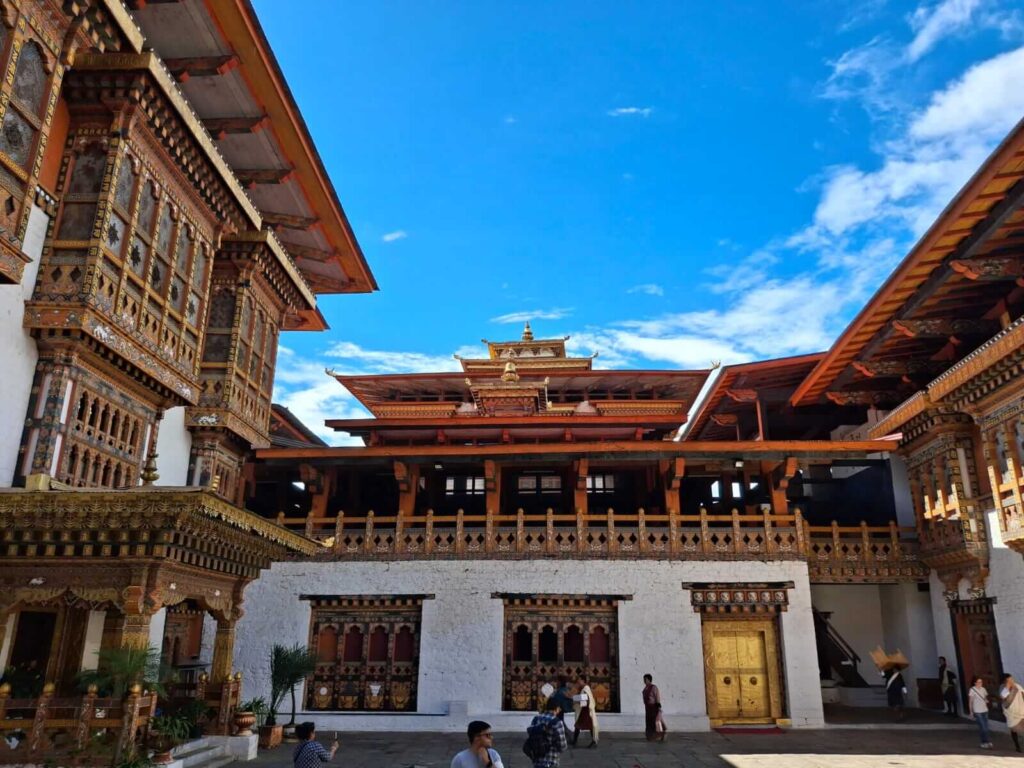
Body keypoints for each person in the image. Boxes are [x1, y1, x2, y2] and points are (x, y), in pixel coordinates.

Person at [527, 697, 567, 768]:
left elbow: (530, 732)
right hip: (551, 760)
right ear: (557, 708)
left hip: (537, 759)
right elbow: (562, 745)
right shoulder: (557, 722)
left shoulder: (536, 718)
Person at [571, 675, 599, 748]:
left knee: (587, 725)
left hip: (586, 711)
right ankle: (575, 740)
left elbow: (586, 700)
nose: (578, 681)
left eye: (579, 680)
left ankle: (594, 741)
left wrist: (578, 700)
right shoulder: (583, 688)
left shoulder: (586, 688)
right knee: (579, 725)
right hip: (583, 710)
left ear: (583, 680)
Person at [1000, 673, 1024, 753]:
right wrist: (1008, 687)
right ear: (1006, 681)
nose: (1012, 680)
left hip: (1020, 710)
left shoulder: (1017, 686)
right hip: (1011, 713)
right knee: (1013, 729)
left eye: (1012, 679)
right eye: (1009, 680)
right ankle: (1017, 746)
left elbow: (1023, 694)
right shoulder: (1004, 689)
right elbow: (1003, 698)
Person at [968, 677, 993, 749]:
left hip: (985, 710)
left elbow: (985, 697)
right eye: (978, 682)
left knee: (986, 727)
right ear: (975, 683)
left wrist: (986, 700)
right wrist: (971, 712)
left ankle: (986, 742)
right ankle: (984, 742)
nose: (980, 683)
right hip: (977, 711)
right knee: (983, 727)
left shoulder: (983, 689)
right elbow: (970, 702)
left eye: (981, 682)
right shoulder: (972, 690)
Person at [642, 673, 665, 741]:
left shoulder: (654, 687)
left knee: (655, 721)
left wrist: (658, 705)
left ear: (649, 680)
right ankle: (650, 735)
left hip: (653, 706)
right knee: (649, 721)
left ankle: (660, 734)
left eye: (645, 679)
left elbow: (657, 696)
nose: (644, 681)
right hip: (648, 707)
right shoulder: (645, 688)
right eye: (644, 679)